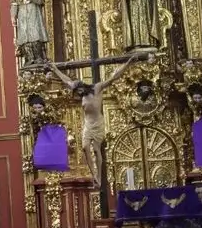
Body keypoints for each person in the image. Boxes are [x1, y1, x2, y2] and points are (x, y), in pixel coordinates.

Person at [46, 55, 146, 188]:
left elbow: (113, 77)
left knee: (97, 150)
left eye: (80, 90)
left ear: (83, 86)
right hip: (88, 124)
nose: (79, 93)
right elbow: (65, 80)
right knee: (85, 147)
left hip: (98, 123)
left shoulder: (97, 88)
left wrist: (128, 63)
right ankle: (94, 175)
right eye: (77, 92)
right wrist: (54, 68)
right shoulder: (80, 93)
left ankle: (98, 176)